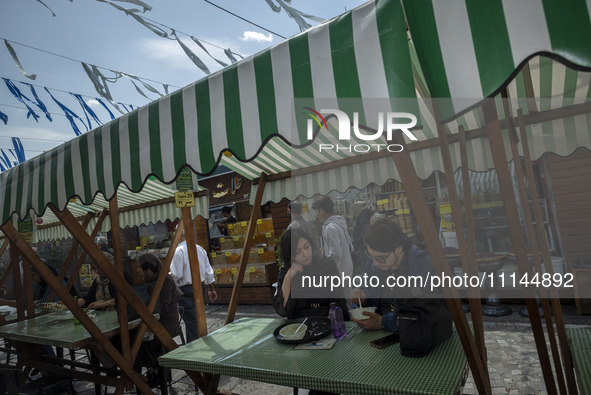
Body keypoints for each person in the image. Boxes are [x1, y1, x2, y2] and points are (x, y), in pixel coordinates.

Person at [350, 219, 452, 355]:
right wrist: (362, 298)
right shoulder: (374, 265)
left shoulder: (424, 265)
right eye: (371, 257)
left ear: (398, 248)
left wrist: (383, 322)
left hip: (420, 341)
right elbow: (367, 291)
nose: (375, 263)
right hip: (379, 338)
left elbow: (430, 313)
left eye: (381, 258)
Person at [273, 228, 348, 319]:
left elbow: (338, 298)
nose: (306, 254)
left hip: (327, 320)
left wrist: (333, 315)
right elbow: (281, 310)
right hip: (298, 326)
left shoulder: (326, 264)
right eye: (297, 252)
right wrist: (288, 277)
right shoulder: (287, 270)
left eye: (306, 247)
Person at [133, 253, 181, 386]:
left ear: (149, 268)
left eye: (140, 268)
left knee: (140, 341)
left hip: (166, 322)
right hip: (155, 320)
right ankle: (151, 370)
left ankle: (154, 370)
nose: (137, 271)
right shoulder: (152, 281)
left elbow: (163, 307)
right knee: (136, 338)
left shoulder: (164, 280)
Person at [170, 230, 217, 343]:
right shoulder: (200, 249)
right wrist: (212, 288)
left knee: (191, 321)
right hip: (200, 287)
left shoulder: (179, 251)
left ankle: (196, 346)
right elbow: (208, 271)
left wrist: (168, 278)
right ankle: (201, 341)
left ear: (179, 236)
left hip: (185, 290)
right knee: (198, 317)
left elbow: (176, 274)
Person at [311, 195, 354, 277]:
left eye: (316, 211)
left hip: (339, 274)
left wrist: (324, 266)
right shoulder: (338, 224)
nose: (316, 215)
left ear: (321, 211)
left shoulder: (330, 228)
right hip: (346, 271)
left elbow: (335, 254)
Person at [351, 208, 373, 275]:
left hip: (358, 258)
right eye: (372, 217)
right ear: (369, 217)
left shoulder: (359, 226)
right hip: (365, 258)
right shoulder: (367, 229)